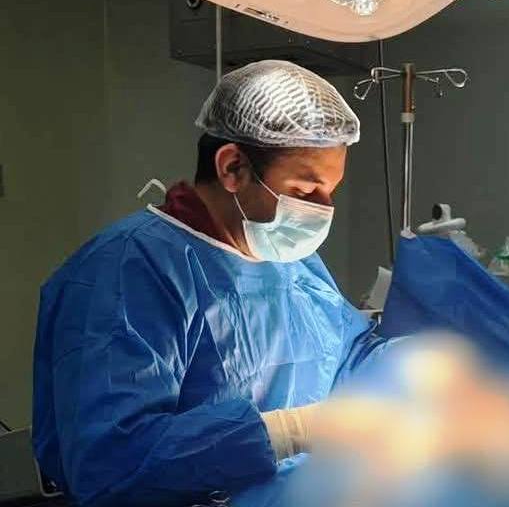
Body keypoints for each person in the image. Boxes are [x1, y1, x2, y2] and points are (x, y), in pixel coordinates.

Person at [32, 61, 393, 507]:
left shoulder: (291, 263)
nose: (324, 210)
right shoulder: (128, 270)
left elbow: (345, 350)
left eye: (330, 192)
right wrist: (293, 431)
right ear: (232, 167)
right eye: (304, 191)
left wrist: (412, 366)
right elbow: (110, 464)